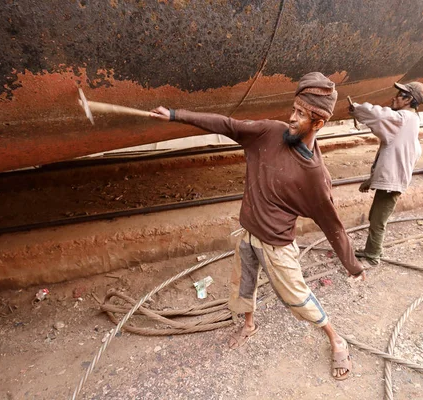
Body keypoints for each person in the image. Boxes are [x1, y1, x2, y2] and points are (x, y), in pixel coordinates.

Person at [150, 72, 366, 381]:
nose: (291, 118)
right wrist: (174, 115)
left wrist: (352, 264)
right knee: (243, 286)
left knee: (297, 298)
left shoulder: (315, 174)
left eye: (301, 114)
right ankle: (249, 325)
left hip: (277, 246)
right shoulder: (270, 132)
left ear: (318, 124)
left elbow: (333, 225)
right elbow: (228, 125)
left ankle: (335, 337)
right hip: (248, 235)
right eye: (294, 109)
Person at [349, 82, 423, 266]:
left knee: (378, 221)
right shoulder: (413, 122)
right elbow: (395, 155)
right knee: (376, 216)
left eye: (400, 95)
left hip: (393, 182)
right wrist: (372, 179)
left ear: (409, 100)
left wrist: (357, 109)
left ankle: (373, 256)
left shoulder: (402, 118)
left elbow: (379, 115)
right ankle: (370, 250)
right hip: (394, 180)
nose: (394, 97)